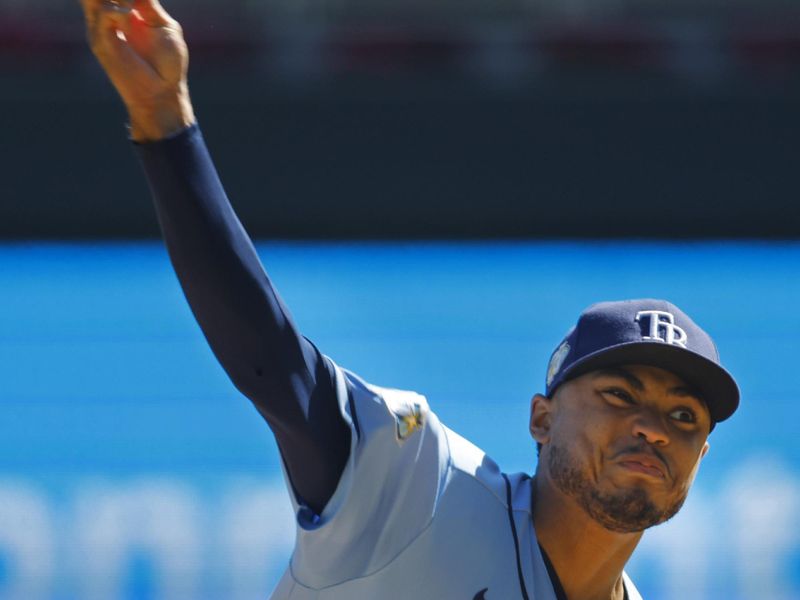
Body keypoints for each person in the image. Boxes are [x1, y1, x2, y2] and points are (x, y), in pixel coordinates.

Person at [79, 1, 740, 598]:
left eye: (684, 417)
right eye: (619, 395)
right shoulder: (423, 487)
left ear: (699, 460)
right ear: (540, 419)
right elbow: (270, 362)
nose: (653, 428)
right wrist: (167, 122)